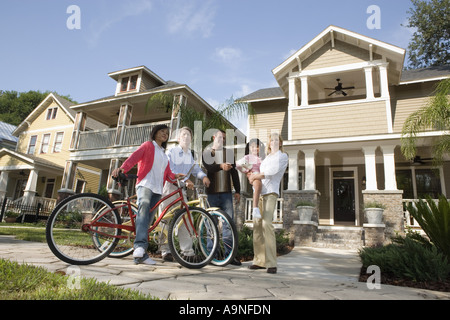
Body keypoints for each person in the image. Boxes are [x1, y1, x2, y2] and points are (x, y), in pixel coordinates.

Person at [111, 124, 184, 265]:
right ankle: (139, 246)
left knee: (148, 221)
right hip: (145, 184)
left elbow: (168, 174)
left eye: (167, 133)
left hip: (158, 189)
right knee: (143, 208)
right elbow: (134, 157)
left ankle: (141, 256)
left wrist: (176, 177)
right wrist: (122, 168)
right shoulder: (148, 145)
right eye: (162, 131)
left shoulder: (163, 154)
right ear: (155, 133)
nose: (165, 134)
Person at [159, 126, 210, 261]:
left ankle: (187, 253)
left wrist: (203, 177)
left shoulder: (189, 155)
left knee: (186, 218)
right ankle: (165, 251)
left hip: (181, 190)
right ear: (179, 138)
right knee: (166, 219)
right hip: (169, 187)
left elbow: (196, 169)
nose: (187, 137)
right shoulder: (173, 151)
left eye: (189, 135)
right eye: (184, 135)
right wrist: (186, 180)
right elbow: (171, 168)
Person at [247, 132, 288, 274]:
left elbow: (272, 172)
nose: (274, 142)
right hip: (260, 194)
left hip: (271, 193)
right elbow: (257, 172)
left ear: (280, 143)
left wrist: (256, 175)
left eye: (277, 140)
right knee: (257, 226)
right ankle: (259, 261)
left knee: (267, 224)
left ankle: (271, 263)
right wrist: (252, 178)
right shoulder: (265, 159)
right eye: (272, 141)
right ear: (269, 144)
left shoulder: (283, 157)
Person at [202, 129, 241, 265]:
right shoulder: (207, 152)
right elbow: (210, 167)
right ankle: (211, 254)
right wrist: (221, 166)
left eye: (224, 138)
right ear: (214, 137)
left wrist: (238, 190)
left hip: (226, 194)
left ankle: (230, 256)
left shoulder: (229, 153)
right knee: (210, 224)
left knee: (228, 224)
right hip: (212, 194)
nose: (222, 140)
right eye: (220, 137)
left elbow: (234, 173)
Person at [236, 138, 265, 220]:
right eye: (252, 147)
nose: (255, 149)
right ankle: (255, 208)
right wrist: (246, 171)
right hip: (254, 175)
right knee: (258, 184)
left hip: (262, 177)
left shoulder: (262, 158)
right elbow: (238, 164)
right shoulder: (248, 157)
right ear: (249, 148)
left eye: (257, 146)